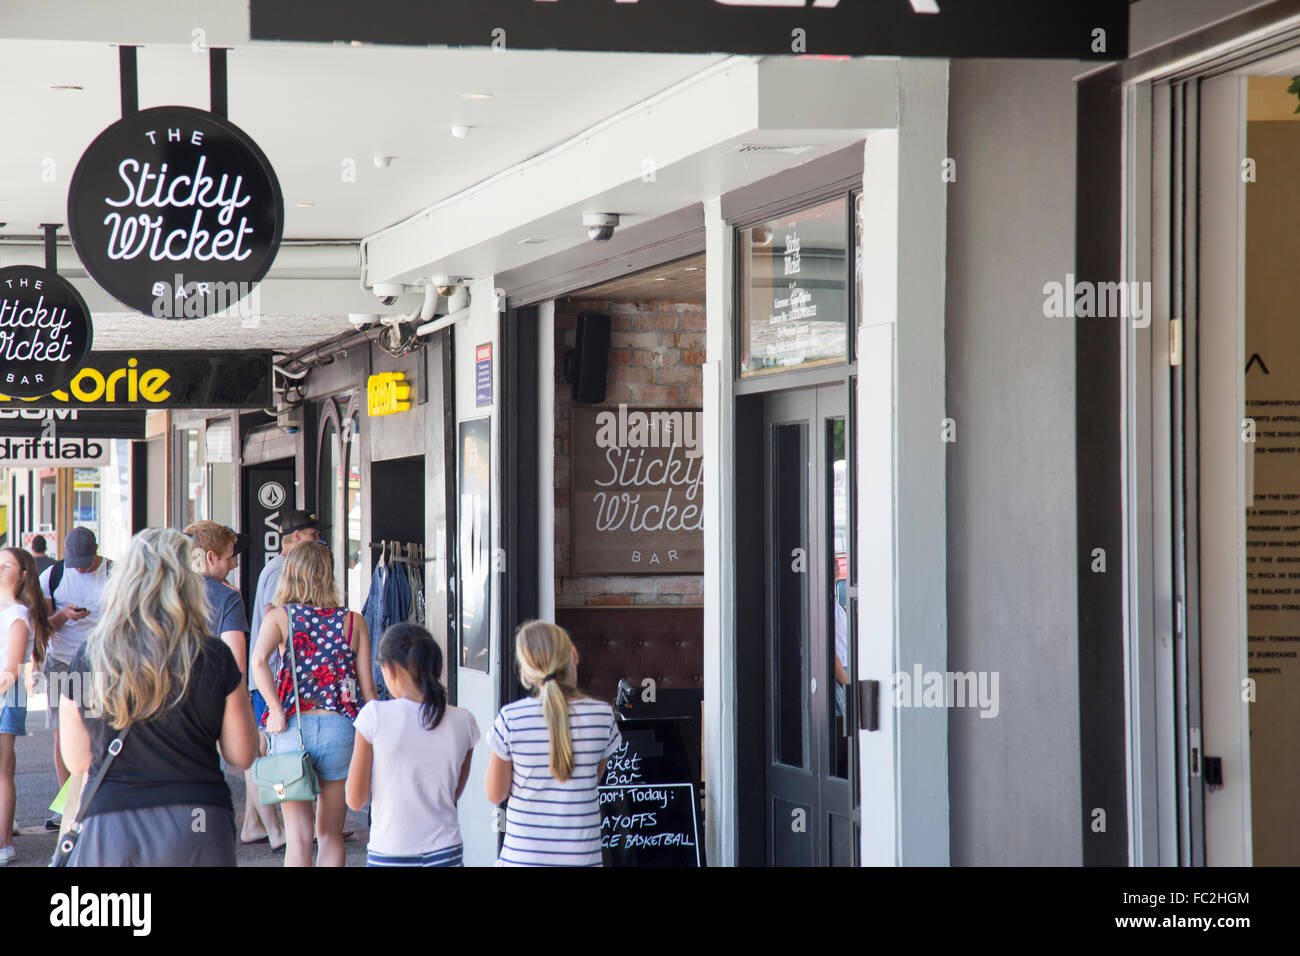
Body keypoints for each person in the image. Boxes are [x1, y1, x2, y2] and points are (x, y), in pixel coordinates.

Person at [58, 529, 259, 866]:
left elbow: (77, 760)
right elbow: (242, 754)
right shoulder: (214, 656)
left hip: (113, 819)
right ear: (188, 583)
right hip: (198, 819)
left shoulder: (88, 656)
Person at [251, 541, 375, 867]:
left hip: (292, 729)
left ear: (290, 573)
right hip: (341, 731)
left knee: (299, 837)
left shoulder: (279, 617)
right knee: (331, 834)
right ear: (327, 575)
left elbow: (258, 662)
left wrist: (275, 711)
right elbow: (368, 692)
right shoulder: (354, 622)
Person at [485, 620, 622, 867]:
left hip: (523, 860)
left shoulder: (511, 718)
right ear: (574, 656)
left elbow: (496, 793)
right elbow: (593, 778)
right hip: (582, 860)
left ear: (526, 673)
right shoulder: (603, 716)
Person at [185, 520, 286, 851]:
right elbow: (236, 662)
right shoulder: (226, 597)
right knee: (250, 760)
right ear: (210, 557)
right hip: (213, 700)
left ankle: (253, 826)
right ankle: (272, 830)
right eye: (230, 558)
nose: (234, 564)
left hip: (169, 701)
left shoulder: (166, 591)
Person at [345, 623, 478, 867]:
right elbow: (453, 793)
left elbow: (355, 799)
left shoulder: (373, 716)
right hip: (446, 849)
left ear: (391, 669)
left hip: (390, 850)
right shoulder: (464, 721)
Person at [39, 527, 112, 831]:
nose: (80, 568)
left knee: (99, 732)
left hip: (100, 664)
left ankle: (96, 798)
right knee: (61, 734)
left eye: (85, 560)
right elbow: (44, 627)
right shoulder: (52, 577)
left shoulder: (115, 574)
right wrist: (64, 615)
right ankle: (68, 804)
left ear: (97, 550)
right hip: (61, 662)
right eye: (75, 562)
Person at [0, 548, 52, 864]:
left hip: (8, 697)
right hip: (9, 696)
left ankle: (4, 843)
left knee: (2, 772)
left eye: (6, 566)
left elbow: (13, 669)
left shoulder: (17, 615)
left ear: (22, 575)